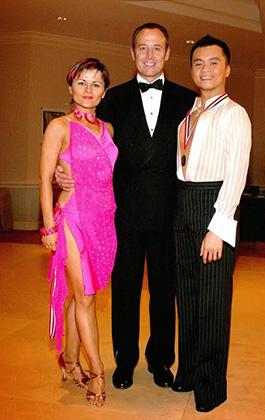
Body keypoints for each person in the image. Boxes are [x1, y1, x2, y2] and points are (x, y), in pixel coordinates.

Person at [56, 22, 197, 390]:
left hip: (170, 213)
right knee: (125, 291)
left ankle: (161, 359)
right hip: (122, 214)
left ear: (167, 53)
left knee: (165, 293)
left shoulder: (187, 100)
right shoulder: (111, 98)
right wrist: (61, 167)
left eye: (157, 48)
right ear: (132, 53)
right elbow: (86, 145)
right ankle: (125, 360)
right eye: (142, 48)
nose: (149, 55)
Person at [172, 35, 251, 412]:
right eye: (199, 63)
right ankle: (187, 371)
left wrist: (219, 226)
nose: (206, 69)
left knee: (212, 302)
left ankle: (210, 385)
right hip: (184, 205)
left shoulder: (233, 113)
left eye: (214, 62)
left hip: (215, 205)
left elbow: (237, 174)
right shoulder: (189, 115)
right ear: (191, 69)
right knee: (186, 297)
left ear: (227, 69)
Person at [39, 58, 118, 408]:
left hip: (105, 220)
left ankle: (69, 359)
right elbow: (44, 179)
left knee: (81, 294)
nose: (89, 90)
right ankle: (97, 371)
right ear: (71, 87)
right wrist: (48, 227)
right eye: (82, 83)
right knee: (86, 297)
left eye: (96, 84)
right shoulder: (59, 126)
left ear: (104, 91)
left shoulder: (109, 129)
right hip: (72, 218)